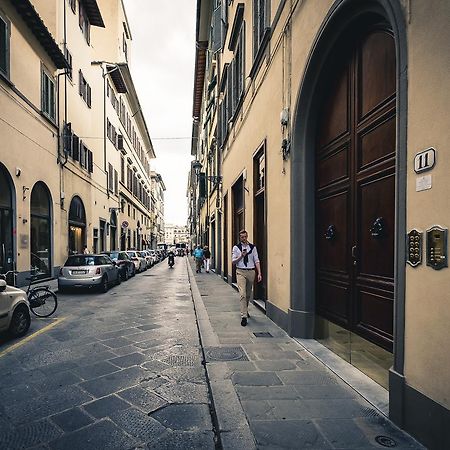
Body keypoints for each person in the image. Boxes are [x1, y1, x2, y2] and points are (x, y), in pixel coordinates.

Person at [232, 230, 262, 327]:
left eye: (245, 236)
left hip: (251, 272)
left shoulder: (253, 248)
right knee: (242, 294)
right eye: (242, 237)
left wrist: (259, 273)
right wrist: (241, 256)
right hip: (240, 271)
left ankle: (245, 309)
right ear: (239, 238)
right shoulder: (236, 248)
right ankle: (243, 316)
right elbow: (233, 262)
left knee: (248, 294)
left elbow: (256, 260)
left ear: (247, 236)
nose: (244, 238)